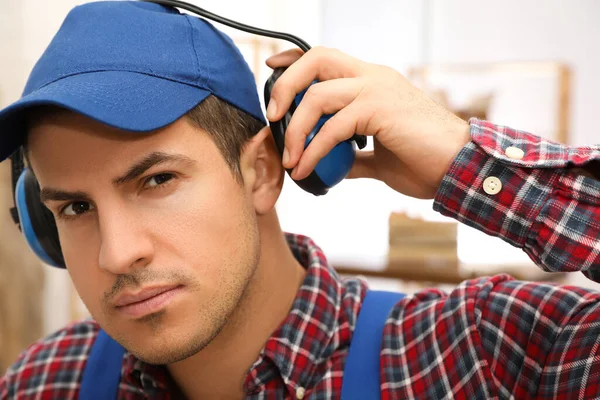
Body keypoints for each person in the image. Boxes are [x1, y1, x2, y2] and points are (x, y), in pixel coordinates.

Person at [1, 1, 599, 399]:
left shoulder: (477, 355)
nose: (116, 254)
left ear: (262, 169)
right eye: (75, 208)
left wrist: (461, 159)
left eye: (157, 181)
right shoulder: (43, 383)